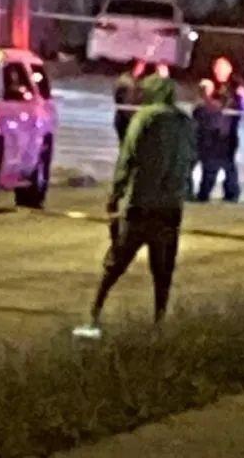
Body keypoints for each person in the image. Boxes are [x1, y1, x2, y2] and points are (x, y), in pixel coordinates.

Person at [84, 74, 196, 329]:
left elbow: (127, 157)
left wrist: (116, 193)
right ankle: (159, 319)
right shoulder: (185, 122)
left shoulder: (144, 118)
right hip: (171, 207)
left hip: (142, 203)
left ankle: (95, 311)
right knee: (163, 269)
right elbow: (193, 158)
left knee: (117, 261)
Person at [195, 57, 244, 202]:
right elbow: (202, 107)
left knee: (228, 164)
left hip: (228, 132)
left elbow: (241, 108)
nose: (221, 71)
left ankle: (231, 193)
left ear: (230, 69)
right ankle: (205, 193)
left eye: (224, 68)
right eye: (218, 68)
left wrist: (242, 98)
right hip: (210, 132)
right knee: (210, 164)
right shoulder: (209, 84)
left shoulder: (235, 86)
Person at [113, 58, 149, 144]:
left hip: (135, 116)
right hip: (124, 116)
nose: (142, 67)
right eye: (140, 65)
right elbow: (118, 95)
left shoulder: (142, 81)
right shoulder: (125, 80)